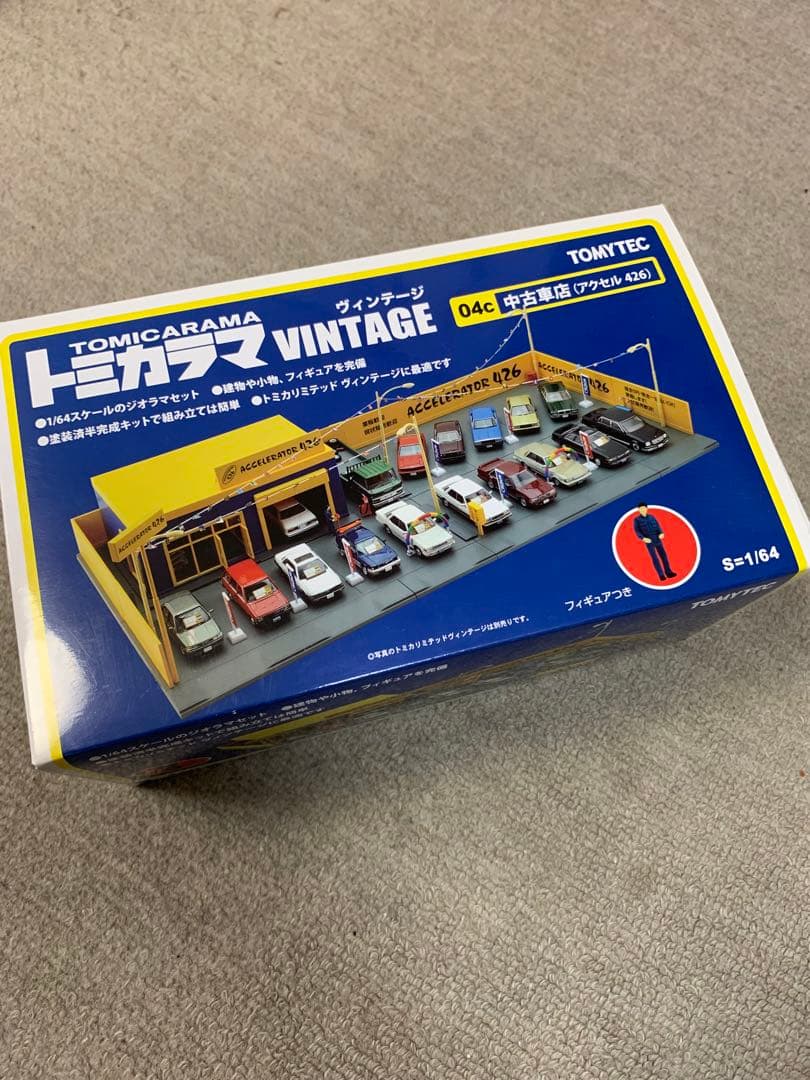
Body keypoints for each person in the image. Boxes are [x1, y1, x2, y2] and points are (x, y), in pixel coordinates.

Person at [633, 503, 677, 580]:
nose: (643, 510)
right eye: (641, 509)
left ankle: (668, 572)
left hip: (657, 539)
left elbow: (658, 526)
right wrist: (643, 538)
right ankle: (661, 575)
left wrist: (661, 533)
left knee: (664, 556)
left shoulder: (652, 517)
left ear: (646, 508)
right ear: (638, 510)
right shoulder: (637, 520)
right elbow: (637, 531)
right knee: (655, 558)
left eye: (644, 508)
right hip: (649, 541)